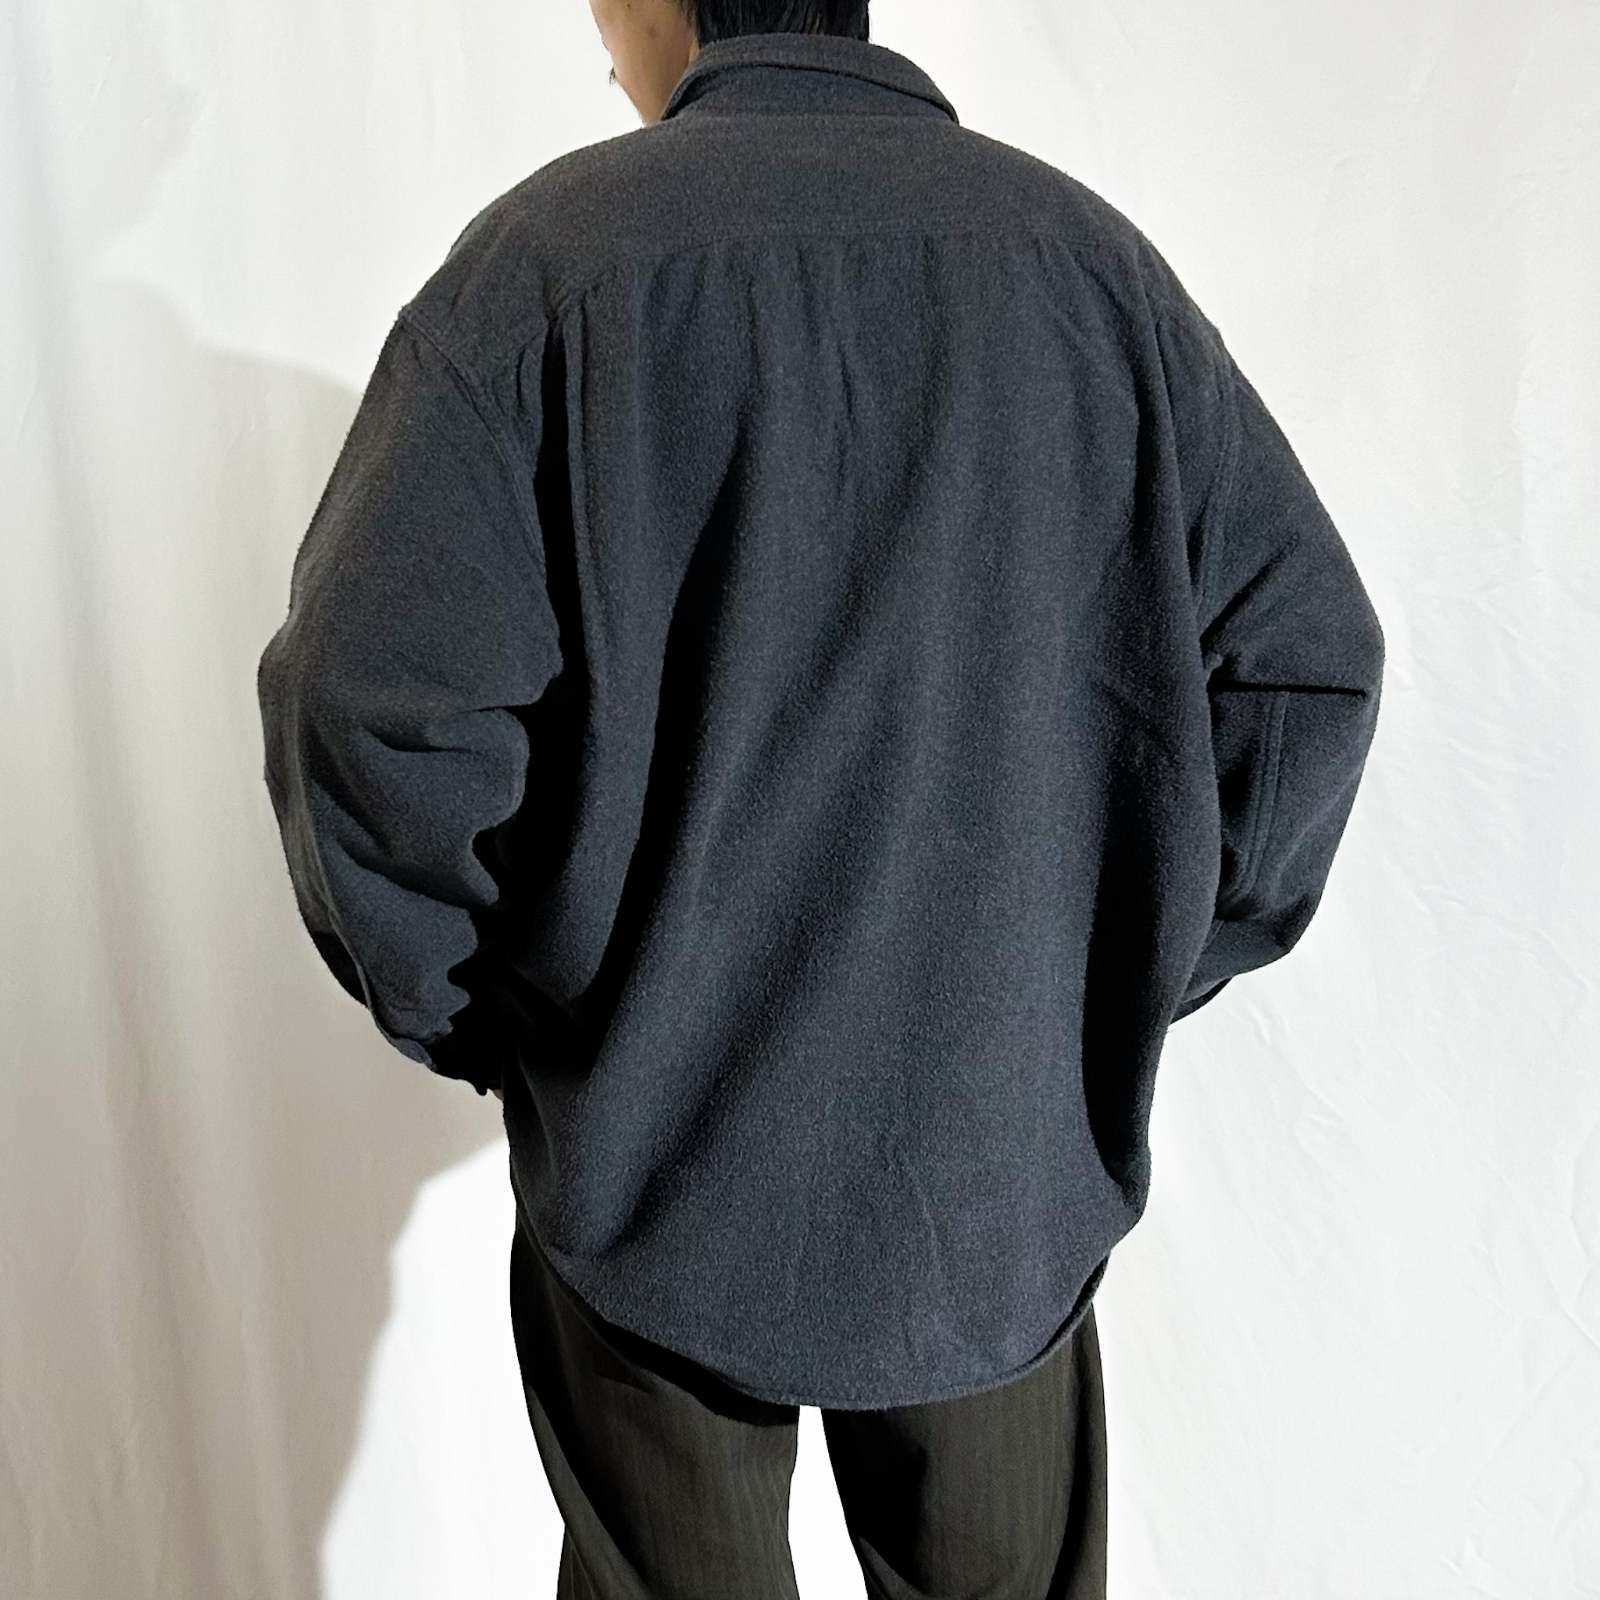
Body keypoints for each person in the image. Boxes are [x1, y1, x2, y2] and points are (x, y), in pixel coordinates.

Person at [254, 1, 1386, 1593]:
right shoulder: (1085, 266)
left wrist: (498, 1018)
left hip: (651, 1160)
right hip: (994, 1175)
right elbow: (1304, 665)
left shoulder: (544, 270)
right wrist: (1107, 976)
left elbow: (368, 706)